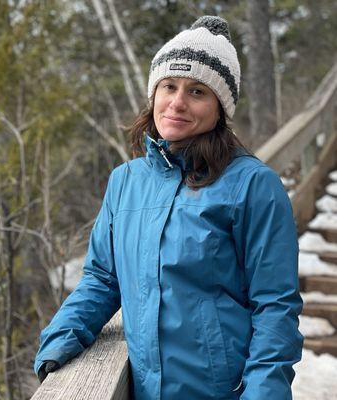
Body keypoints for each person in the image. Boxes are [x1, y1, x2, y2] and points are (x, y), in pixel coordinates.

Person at [34, 15, 303, 400]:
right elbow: (102, 280)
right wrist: (57, 345)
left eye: (197, 92)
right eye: (169, 86)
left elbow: (275, 307)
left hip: (224, 391)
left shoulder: (253, 185)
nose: (177, 103)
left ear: (219, 107)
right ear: (153, 93)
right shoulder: (125, 182)